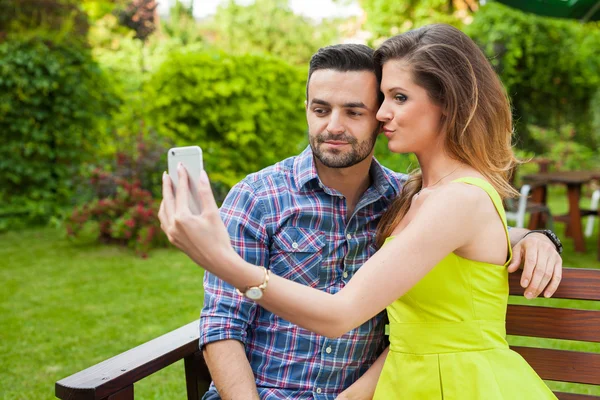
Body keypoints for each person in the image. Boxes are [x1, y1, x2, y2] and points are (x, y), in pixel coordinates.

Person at [159, 30, 563, 399]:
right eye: (321, 109)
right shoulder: (406, 196)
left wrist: (221, 261)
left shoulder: (412, 197)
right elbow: (222, 324)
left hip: (452, 382)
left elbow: (345, 311)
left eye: (364, 109)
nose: (384, 113)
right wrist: (528, 236)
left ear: (447, 104)